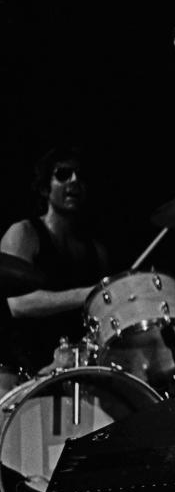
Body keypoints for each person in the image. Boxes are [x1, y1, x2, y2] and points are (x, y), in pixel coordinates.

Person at [0, 146, 109, 388]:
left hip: (75, 370)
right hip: (21, 372)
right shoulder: (24, 233)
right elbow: (17, 304)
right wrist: (88, 294)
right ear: (44, 187)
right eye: (63, 174)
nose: (74, 181)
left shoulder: (96, 251)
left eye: (80, 176)